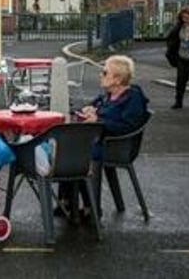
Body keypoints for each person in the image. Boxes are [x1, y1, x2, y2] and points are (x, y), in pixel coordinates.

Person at [62, 54, 150, 219]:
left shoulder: (133, 99)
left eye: (104, 73)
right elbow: (89, 107)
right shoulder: (107, 96)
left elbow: (128, 127)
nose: (100, 75)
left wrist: (99, 121)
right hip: (100, 141)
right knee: (66, 147)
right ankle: (66, 201)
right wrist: (87, 110)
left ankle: (91, 208)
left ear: (117, 79)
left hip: (116, 147)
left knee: (75, 154)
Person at [165, 7, 189, 109]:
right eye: (184, 18)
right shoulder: (179, 27)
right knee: (181, 79)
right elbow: (172, 39)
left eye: (188, 17)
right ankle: (178, 101)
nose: (186, 20)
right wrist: (171, 51)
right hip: (183, 56)